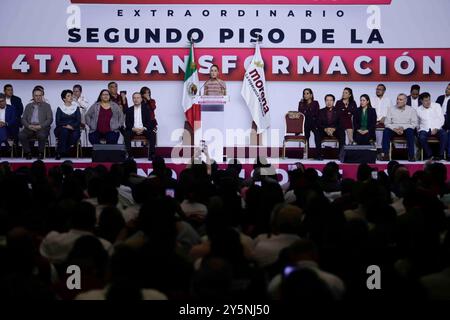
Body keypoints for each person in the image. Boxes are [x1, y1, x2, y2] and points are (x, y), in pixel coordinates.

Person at [379, 94, 418, 162]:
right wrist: (395, 129)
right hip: (394, 130)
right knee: (386, 131)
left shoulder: (412, 110)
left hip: (406, 129)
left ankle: (411, 156)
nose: (398, 101)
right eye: (397, 99)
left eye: (400, 99)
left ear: (405, 101)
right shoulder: (391, 109)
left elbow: (414, 124)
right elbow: (387, 123)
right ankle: (385, 154)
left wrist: (403, 128)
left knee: (410, 131)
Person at [19, 87, 53, 160]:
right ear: (33, 96)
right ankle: (28, 153)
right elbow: (23, 119)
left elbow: (50, 119)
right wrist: (28, 126)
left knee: (41, 135)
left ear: (42, 96)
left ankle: (40, 153)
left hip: (41, 127)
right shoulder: (28, 106)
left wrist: (40, 126)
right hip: (30, 127)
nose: (38, 97)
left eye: (39, 95)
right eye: (36, 96)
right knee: (21, 135)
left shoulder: (47, 106)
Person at [123, 92, 156, 160]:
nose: (136, 99)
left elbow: (149, 122)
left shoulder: (146, 109)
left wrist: (143, 128)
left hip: (143, 129)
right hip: (133, 129)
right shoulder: (129, 110)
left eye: (138, 98)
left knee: (152, 134)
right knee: (126, 134)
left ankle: (151, 155)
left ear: (141, 99)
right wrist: (133, 129)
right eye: (134, 98)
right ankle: (130, 155)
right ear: (132, 99)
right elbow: (127, 123)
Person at [416, 92, 446, 161]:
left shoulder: (437, 106)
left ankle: (440, 155)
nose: (428, 102)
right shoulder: (418, 109)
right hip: (424, 129)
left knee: (444, 134)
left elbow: (442, 119)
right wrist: (418, 129)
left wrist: (437, 128)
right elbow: (417, 122)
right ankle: (430, 155)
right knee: (421, 137)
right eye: (426, 101)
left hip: (437, 128)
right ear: (421, 101)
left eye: (429, 100)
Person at [54, 90, 81, 160]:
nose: (71, 97)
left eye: (71, 95)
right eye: (68, 96)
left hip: (74, 128)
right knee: (64, 131)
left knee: (75, 135)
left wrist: (72, 126)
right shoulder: (60, 108)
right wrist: (67, 125)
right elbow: (58, 122)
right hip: (62, 128)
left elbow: (78, 121)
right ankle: (62, 151)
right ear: (64, 98)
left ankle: (60, 151)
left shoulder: (76, 107)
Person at [298, 88, 322, 160]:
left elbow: (316, 113)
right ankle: (306, 155)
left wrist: (307, 112)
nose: (305, 95)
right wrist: (306, 111)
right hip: (305, 123)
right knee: (306, 138)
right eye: (304, 93)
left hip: (314, 123)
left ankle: (318, 155)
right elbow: (301, 113)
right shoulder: (301, 103)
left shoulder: (315, 103)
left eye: (307, 93)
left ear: (311, 95)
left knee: (317, 137)